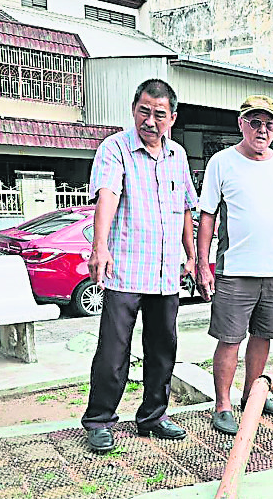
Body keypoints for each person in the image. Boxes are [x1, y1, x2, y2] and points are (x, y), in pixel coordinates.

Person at [81, 79, 197, 453]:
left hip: (166, 270)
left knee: (163, 347)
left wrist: (192, 254)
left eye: (159, 114)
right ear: (134, 109)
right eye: (144, 111)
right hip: (127, 268)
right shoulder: (115, 148)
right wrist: (100, 247)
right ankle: (100, 420)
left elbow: (184, 209)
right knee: (114, 350)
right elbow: (108, 195)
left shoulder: (178, 155)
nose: (150, 121)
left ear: (172, 118)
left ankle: (152, 416)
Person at [195, 95, 273, 435]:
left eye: (268, 124)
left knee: (263, 337)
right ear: (241, 124)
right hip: (235, 271)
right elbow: (208, 215)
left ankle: (251, 397)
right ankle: (223, 405)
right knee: (230, 339)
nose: (262, 130)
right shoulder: (222, 162)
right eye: (254, 122)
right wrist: (203, 263)